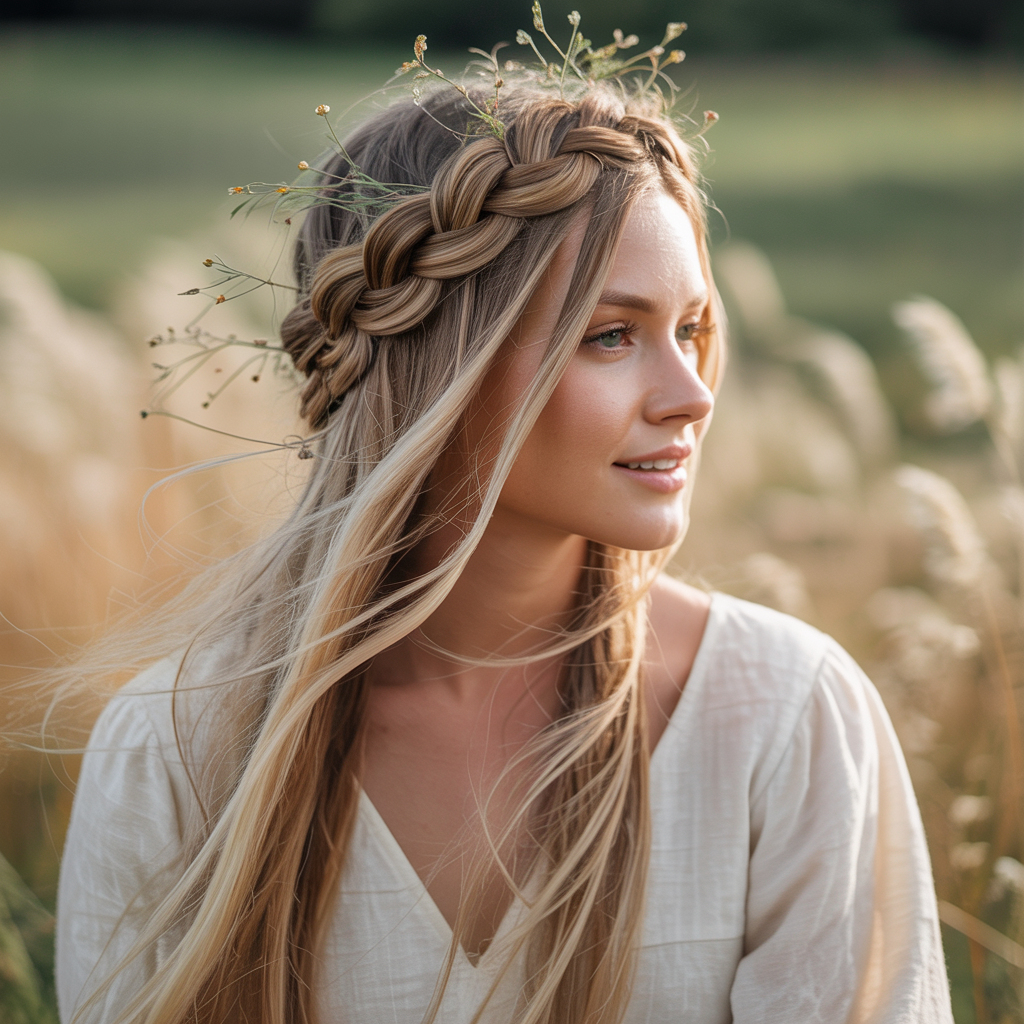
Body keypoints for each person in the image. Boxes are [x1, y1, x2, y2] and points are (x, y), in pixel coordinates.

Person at [54, 48, 954, 1024]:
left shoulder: (784, 714)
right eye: (612, 335)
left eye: (691, 330)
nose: (691, 395)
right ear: (442, 362)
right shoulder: (176, 752)